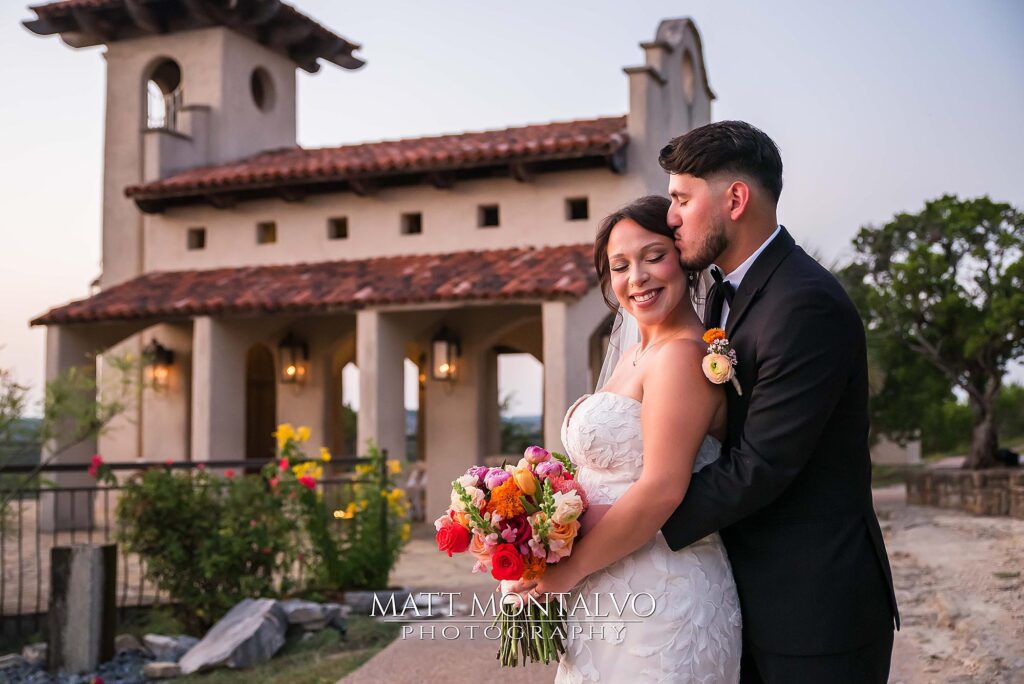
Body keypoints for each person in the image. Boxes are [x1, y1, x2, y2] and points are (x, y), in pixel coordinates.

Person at [512, 194, 743, 682]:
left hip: (662, 591)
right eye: (620, 266)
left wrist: (566, 572)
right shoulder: (631, 355)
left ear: (684, 259)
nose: (636, 277)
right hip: (609, 582)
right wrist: (534, 532)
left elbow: (662, 489)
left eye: (654, 257)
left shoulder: (682, 356)